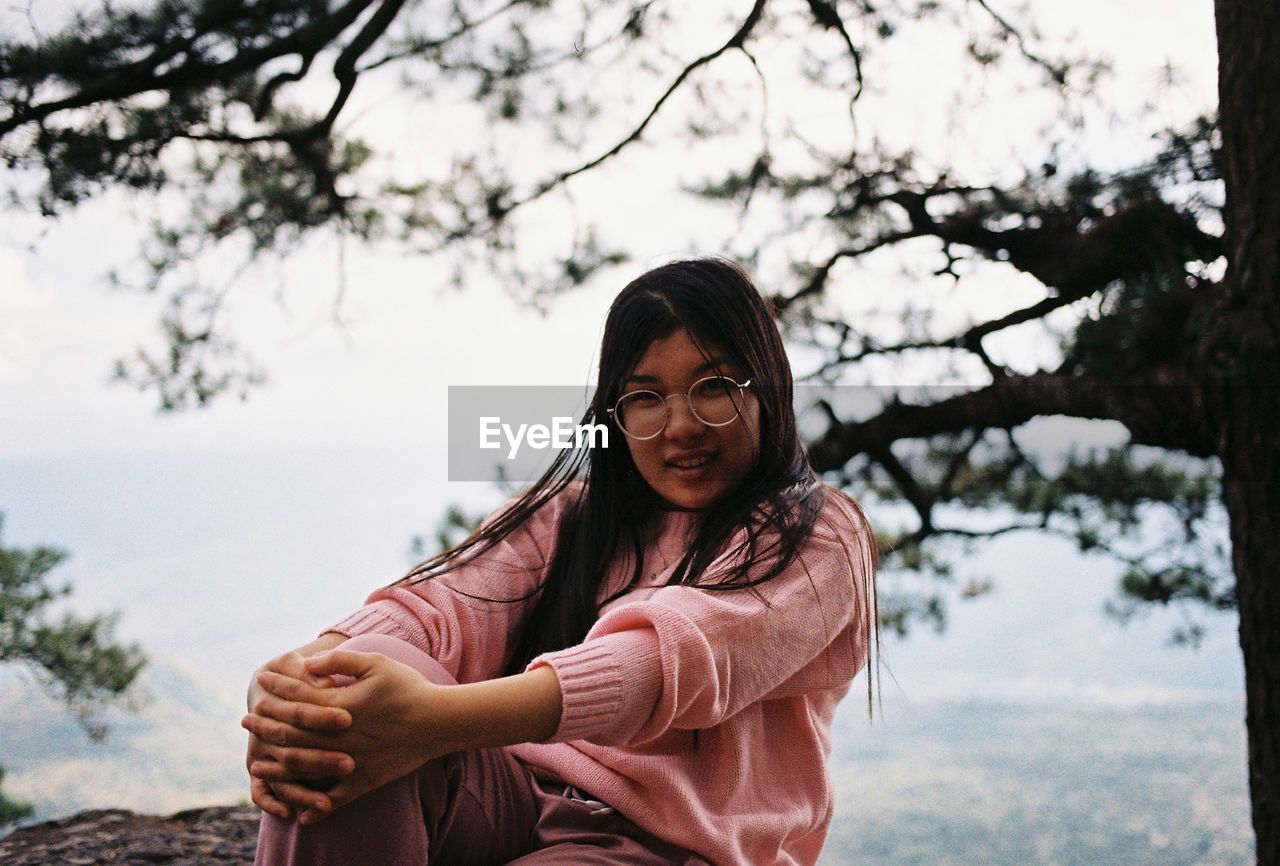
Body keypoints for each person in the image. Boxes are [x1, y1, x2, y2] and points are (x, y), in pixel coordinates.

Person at [243, 257, 879, 866]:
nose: (680, 424)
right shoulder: (569, 517)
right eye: (646, 397)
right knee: (339, 699)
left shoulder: (819, 535)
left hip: (669, 847)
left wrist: (426, 723)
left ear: (767, 387)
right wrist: (292, 690)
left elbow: (669, 661)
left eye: (713, 387)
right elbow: (441, 607)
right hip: (513, 799)